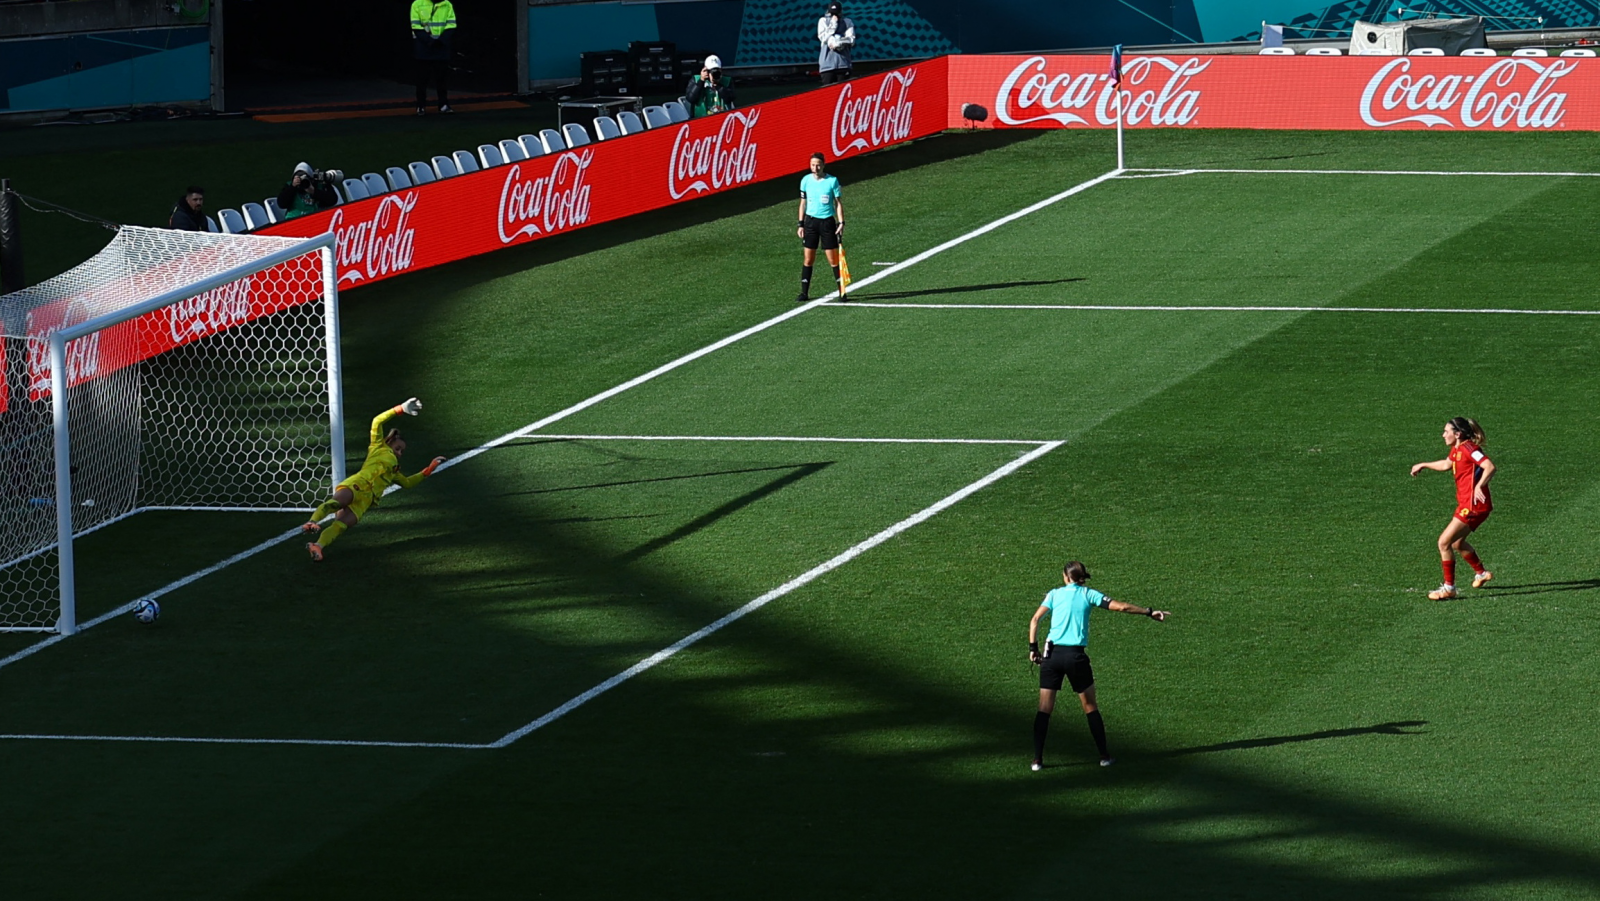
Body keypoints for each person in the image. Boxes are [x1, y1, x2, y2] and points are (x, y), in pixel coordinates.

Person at [1027, 561, 1168, 771]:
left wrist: (1033, 648)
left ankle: (1037, 760)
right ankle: (1104, 756)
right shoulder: (1088, 594)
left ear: (1066, 577)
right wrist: (1149, 611)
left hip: (1052, 656)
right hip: (1075, 657)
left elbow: (1035, 620)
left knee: (1044, 710)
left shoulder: (1054, 594)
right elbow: (1122, 607)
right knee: (1089, 706)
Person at [303, 398, 445, 561]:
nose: (399, 453)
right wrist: (399, 409)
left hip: (365, 502)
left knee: (340, 526)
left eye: (402, 452)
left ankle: (318, 546)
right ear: (389, 442)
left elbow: (407, 483)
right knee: (335, 503)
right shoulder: (377, 446)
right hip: (357, 485)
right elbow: (377, 421)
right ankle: (311, 522)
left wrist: (428, 469)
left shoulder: (394, 471)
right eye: (398, 448)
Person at [1410, 417, 1495, 600]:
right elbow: (1447, 464)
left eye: (1446, 431)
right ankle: (1481, 573)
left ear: (1457, 434)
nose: (1443, 435)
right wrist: (1424, 464)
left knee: (1443, 542)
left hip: (1473, 506)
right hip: (1467, 504)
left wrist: (1480, 486)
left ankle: (1449, 588)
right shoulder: (1457, 449)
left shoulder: (1469, 448)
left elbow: (1489, 466)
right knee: (1457, 543)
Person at [795, 152, 844, 304]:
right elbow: (802, 203)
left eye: (818, 165)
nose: (815, 168)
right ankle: (804, 293)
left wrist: (841, 222)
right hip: (810, 223)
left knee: (833, 260)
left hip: (827, 223)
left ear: (823, 165)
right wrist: (800, 224)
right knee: (808, 259)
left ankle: (842, 292)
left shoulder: (832, 181)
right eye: (812, 165)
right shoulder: (805, 181)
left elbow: (838, 204)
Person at [411, 0, 457, 115]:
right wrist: (430, 41)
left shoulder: (447, 4)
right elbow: (415, 26)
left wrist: (440, 41)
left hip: (440, 48)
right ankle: (421, 105)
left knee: (441, 79)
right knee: (422, 79)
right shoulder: (417, 3)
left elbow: (451, 25)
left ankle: (443, 104)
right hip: (424, 48)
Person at [816, 1, 855, 85]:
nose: (834, 16)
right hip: (827, 66)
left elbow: (851, 40)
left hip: (843, 64)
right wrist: (833, 24)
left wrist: (838, 43)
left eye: (836, 13)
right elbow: (823, 37)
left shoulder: (847, 22)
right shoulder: (823, 21)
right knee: (828, 93)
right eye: (832, 13)